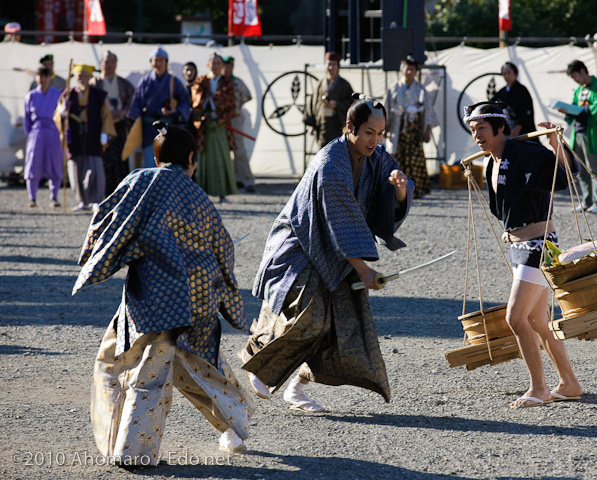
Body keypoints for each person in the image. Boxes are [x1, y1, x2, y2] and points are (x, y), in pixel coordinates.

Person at [72, 121, 254, 466]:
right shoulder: (199, 198)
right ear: (190, 158)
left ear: (156, 159)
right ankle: (236, 422)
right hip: (198, 299)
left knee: (129, 367)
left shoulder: (140, 181)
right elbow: (224, 247)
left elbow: (105, 218)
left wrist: (109, 255)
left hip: (154, 299)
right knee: (199, 362)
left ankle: (133, 452)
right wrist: (222, 292)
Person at [240, 93, 413, 413]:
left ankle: (297, 387)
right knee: (310, 318)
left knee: (343, 323)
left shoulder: (376, 156)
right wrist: (363, 270)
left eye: (380, 133)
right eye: (368, 133)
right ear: (350, 128)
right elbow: (339, 219)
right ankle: (258, 353)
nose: (375, 140)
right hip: (301, 245)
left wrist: (400, 192)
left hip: (338, 250)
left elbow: (390, 190)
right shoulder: (330, 163)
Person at [463, 101, 583, 407]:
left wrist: (556, 145)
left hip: (538, 244)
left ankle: (539, 388)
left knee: (515, 317)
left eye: (482, 129)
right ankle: (569, 383)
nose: (477, 135)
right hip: (519, 246)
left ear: (501, 128)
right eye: (473, 129)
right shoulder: (490, 161)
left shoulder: (524, 152)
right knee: (537, 321)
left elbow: (566, 176)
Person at [59, 63, 116, 211]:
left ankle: (96, 199)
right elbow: (58, 114)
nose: (82, 79)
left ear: (90, 77)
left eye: (85, 76)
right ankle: (81, 201)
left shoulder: (98, 94)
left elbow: (106, 115)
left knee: (95, 166)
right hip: (75, 134)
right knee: (75, 168)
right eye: (79, 76)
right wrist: (63, 113)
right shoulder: (68, 94)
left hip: (93, 134)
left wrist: (105, 133)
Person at [384, 55, 438, 200]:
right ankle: (395, 191)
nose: (409, 72)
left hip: (414, 128)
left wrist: (427, 130)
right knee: (397, 159)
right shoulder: (394, 88)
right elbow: (387, 108)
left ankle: (418, 191)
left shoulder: (421, 89)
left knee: (416, 159)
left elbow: (428, 110)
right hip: (398, 127)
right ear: (403, 70)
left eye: (412, 69)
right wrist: (385, 127)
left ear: (416, 72)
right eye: (407, 69)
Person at [127, 47, 191, 168]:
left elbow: (184, 102)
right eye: (156, 60)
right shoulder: (145, 82)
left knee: (168, 163)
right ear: (151, 62)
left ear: (166, 62)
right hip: (149, 128)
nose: (158, 63)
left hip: (168, 129)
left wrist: (175, 111)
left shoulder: (174, 82)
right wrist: (131, 121)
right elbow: (137, 103)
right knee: (150, 163)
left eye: (161, 60)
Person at [563, 60, 597, 214]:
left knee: (594, 169)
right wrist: (568, 112)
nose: (576, 80)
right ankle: (586, 200)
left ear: (583, 71)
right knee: (581, 170)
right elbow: (574, 108)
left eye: (576, 76)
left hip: (592, 134)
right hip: (578, 132)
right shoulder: (578, 91)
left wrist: (580, 110)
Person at [191, 53, 237, 203]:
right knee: (204, 160)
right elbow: (196, 99)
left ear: (222, 66)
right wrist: (207, 102)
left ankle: (222, 194)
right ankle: (203, 195)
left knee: (222, 158)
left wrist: (212, 100)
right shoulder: (201, 80)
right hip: (205, 125)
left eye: (218, 63)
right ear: (208, 64)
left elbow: (229, 102)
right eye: (214, 63)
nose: (216, 66)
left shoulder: (227, 82)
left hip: (220, 124)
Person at [89, 51, 135, 194]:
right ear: (101, 64)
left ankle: (122, 193)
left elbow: (132, 104)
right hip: (101, 128)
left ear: (116, 64)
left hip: (119, 127)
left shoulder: (125, 84)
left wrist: (123, 113)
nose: (109, 65)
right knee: (102, 161)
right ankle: (102, 193)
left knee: (120, 160)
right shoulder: (94, 83)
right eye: (106, 62)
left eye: (111, 62)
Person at [24, 66, 63, 208]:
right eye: (41, 75)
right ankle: (32, 197)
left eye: (46, 76)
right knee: (34, 162)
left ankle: (54, 196)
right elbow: (27, 118)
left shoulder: (58, 94)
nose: (43, 79)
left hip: (53, 131)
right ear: (36, 77)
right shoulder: (31, 96)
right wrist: (31, 132)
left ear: (50, 77)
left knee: (54, 162)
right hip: (37, 131)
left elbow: (62, 115)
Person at [303, 51, 354, 149]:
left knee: (337, 152)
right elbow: (313, 104)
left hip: (337, 125)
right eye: (329, 64)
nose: (331, 67)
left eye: (334, 65)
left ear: (338, 66)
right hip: (322, 125)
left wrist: (337, 105)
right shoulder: (320, 84)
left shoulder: (344, 85)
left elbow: (352, 104)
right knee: (322, 152)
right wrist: (312, 124)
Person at [222, 55, 256, 192]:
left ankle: (246, 179)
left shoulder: (237, 82)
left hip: (235, 119)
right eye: (226, 66)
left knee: (239, 150)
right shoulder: (218, 82)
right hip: (221, 120)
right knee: (223, 151)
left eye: (231, 66)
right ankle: (228, 180)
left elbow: (248, 96)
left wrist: (238, 104)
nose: (228, 68)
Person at [492, 61, 536, 137]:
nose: (507, 76)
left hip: (523, 129)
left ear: (515, 73)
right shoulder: (501, 92)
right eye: (504, 74)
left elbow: (527, 110)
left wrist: (518, 127)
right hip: (506, 128)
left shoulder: (522, 90)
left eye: (509, 73)